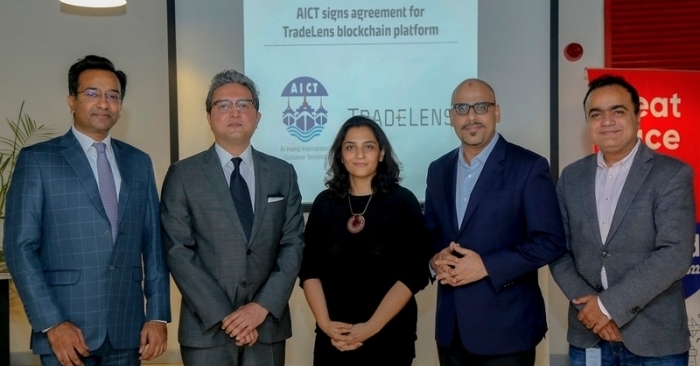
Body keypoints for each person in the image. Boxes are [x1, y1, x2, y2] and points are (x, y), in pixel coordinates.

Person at [3, 55, 170, 366]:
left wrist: (158, 315)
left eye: (113, 96)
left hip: (128, 329)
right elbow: (19, 247)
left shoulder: (139, 162)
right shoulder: (38, 160)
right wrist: (52, 323)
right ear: (72, 100)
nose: (104, 104)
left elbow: (154, 246)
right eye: (92, 93)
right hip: (66, 333)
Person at [160, 69, 304, 366]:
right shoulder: (183, 175)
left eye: (244, 104)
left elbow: (293, 245)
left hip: (267, 328)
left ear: (258, 116)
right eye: (223, 105)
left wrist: (259, 309)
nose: (234, 112)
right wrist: (228, 317)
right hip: (207, 329)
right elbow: (178, 251)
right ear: (209, 117)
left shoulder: (282, 173)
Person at [550, 74, 695, 365]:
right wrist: (594, 313)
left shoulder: (672, 174)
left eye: (618, 111)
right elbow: (558, 250)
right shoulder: (571, 177)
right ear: (588, 123)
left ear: (637, 117)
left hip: (655, 342)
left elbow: (675, 255)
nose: (607, 121)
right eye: (596, 114)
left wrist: (606, 307)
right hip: (588, 334)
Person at [425, 78, 566, 366]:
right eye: (462, 108)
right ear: (451, 116)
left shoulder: (529, 167)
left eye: (481, 106)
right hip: (451, 331)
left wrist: (487, 266)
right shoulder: (438, 169)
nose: (472, 116)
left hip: (508, 332)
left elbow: (549, 241)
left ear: (497, 112)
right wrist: (434, 259)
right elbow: (432, 232)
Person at [299, 116, 431, 366]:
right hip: (333, 336)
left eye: (368, 146)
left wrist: (370, 327)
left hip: (389, 337)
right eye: (350, 147)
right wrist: (326, 325)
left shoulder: (403, 203)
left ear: (381, 153)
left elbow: (414, 273)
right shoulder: (324, 204)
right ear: (340, 155)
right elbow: (309, 270)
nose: (359, 154)